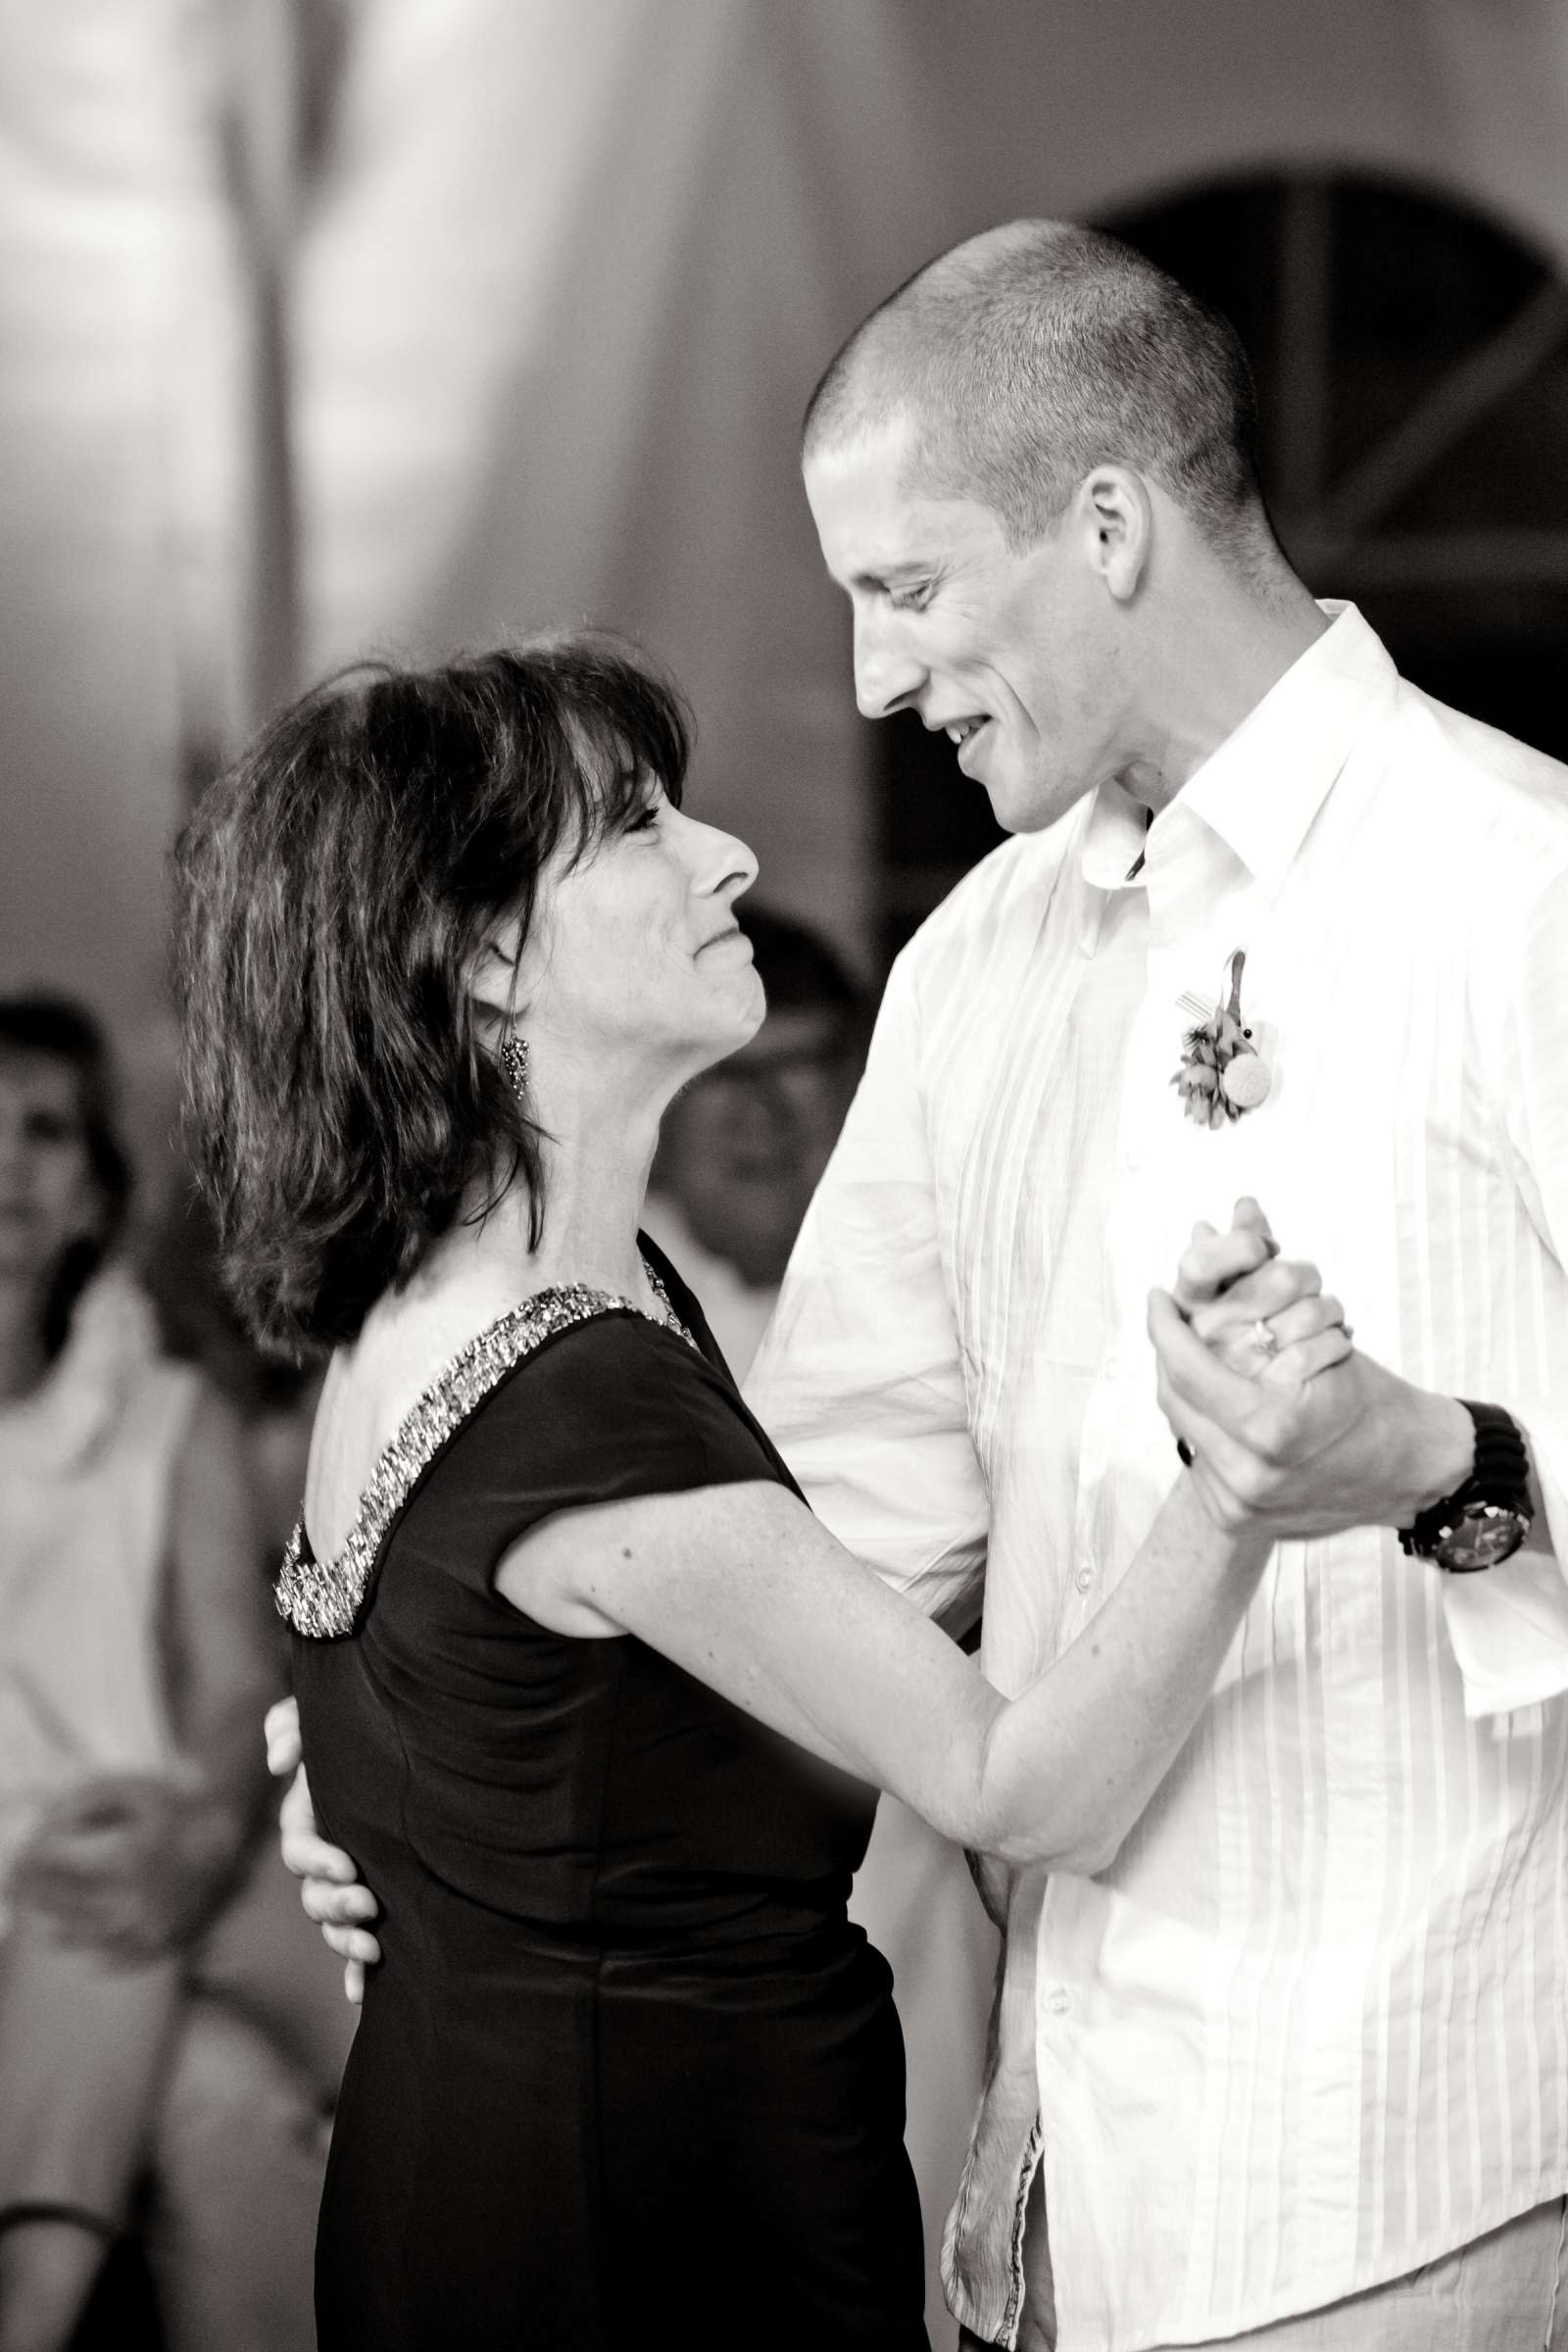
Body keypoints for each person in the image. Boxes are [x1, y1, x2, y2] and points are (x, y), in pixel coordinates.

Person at [175, 636, 1346, 2352]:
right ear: (488, 953)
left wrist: (375, 1805)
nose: (724, 854)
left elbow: (443, 1680)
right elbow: (1022, 1788)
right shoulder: (576, 1392)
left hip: (509, 2157)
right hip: (634, 2229)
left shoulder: (443, 1304)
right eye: (641, 823)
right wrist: (1244, 1474)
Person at [0, 997, 321, 2352]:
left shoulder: (168, 1418)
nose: (7, 1162)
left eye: (45, 1130)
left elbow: (237, 1685)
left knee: (112, 1858)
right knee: (223, 2099)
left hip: (172, 1854)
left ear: (92, 1199)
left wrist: (190, 1827)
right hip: (34, 1891)